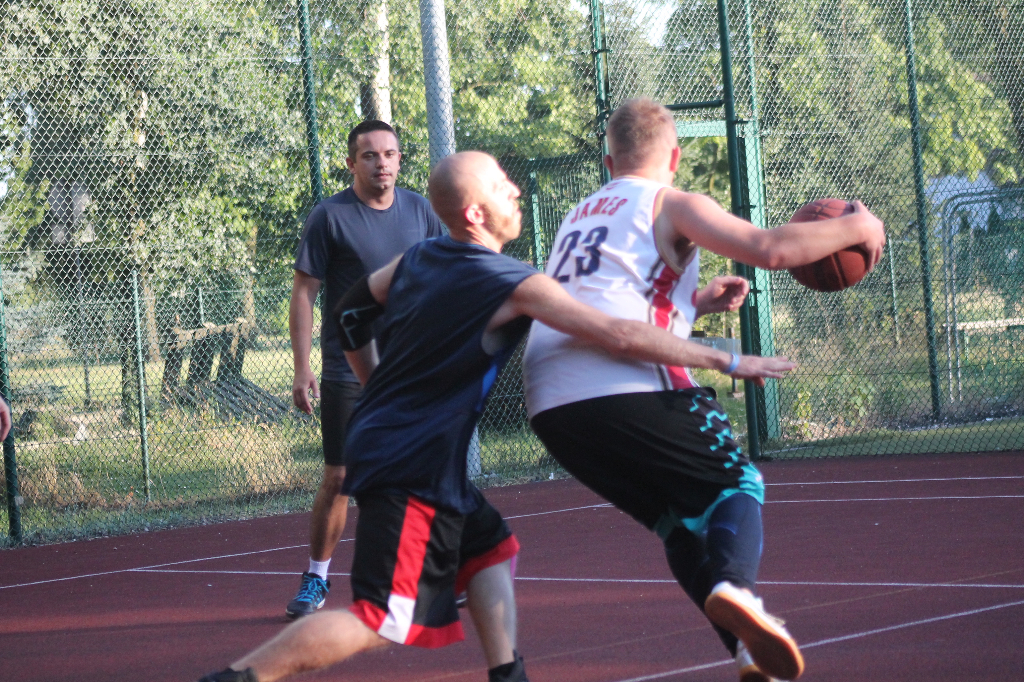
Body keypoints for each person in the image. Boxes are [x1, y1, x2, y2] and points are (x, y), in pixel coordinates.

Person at [199, 150, 796, 682]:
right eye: (501, 184)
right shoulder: (512, 282)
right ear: (476, 214)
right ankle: (238, 678)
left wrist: (377, 387)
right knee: (379, 620)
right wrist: (724, 358)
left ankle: (507, 672)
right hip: (414, 462)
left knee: (489, 547)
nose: (515, 190)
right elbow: (616, 332)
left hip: (405, 449)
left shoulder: (418, 259)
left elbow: (350, 316)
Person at [522, 98, 886, 682]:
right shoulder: (674, 200)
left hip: (552, 405)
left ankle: (746, 654)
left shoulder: (580, 214)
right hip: (622, 382)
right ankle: (737, 589)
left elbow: (606, 295)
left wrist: (695, 302)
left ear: (610, 160)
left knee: (678, 521)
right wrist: (862, 226)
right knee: (737, 483)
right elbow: (772, 249)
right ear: (675, 155)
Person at [287, 119, 445, 619]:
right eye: (371, 155)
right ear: (352, 162)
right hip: (346, 369)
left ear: (400, 160)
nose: (382, 164)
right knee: (339, 475)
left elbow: (446, 272)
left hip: (409, 367)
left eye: (390, 154)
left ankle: (415, 575)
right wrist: (301, 365)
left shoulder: (421, 210)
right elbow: (304, 292)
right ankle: (316, 578)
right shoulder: (329, 217)